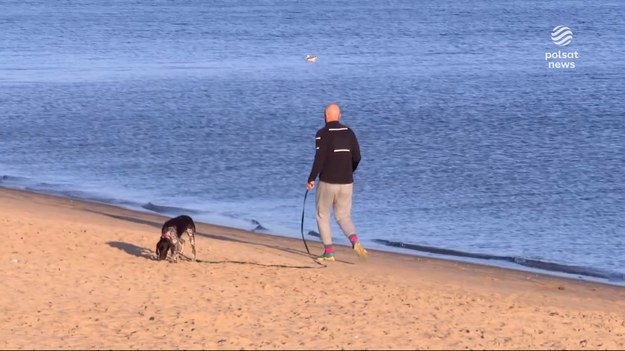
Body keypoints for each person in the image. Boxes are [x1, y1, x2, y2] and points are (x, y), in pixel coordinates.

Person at [307, 103, 368, 262]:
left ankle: (329, 252)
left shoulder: (322, 134)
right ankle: (354, 241)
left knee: (322, 215)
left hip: (328, 181)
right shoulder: (349, 132)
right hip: (347, 182)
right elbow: (357, 157)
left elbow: (319, 159)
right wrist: (349, 171)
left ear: (325, 116)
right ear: (339, 116)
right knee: (343, 216)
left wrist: (311, 178)